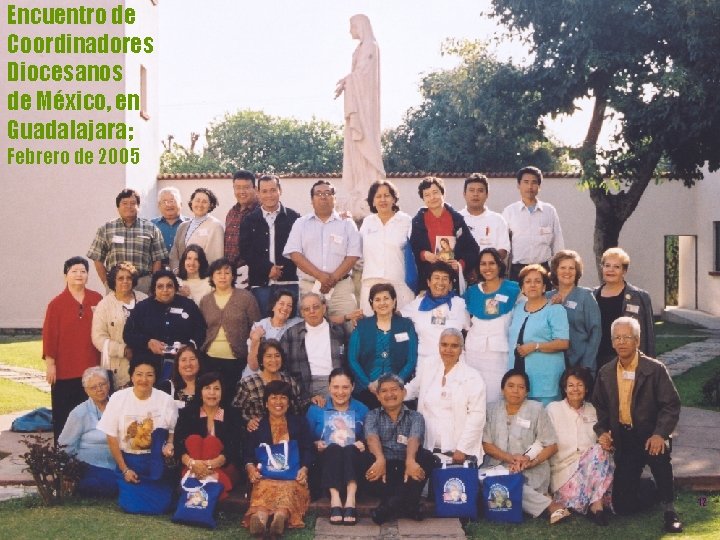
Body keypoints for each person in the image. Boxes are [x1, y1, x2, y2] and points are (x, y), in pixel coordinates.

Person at [592, 317, 683, 533]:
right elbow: (600, 407)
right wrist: (603, 431)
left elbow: (671, 405)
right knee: (623, 507)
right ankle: (652, 489)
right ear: (612, 342)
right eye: (617, 338)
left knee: (660, 459)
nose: (622, 342)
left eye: (627, 337)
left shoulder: (655, 369)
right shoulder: (606, 372)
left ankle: (670, 511)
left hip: (651, 435)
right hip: (625, 439)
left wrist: (660, 434)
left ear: (637, 341)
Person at [96, 359, 178, 514]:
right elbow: (111, 437)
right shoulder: (118, 398)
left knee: (163, 505)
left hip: (155, 463)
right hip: (129, 462)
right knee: (132, 506)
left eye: (149, 375)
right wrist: (125, 469)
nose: (144, 379)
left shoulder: (165, 400)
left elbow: (171, 431)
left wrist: (170, 444)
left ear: (155, 378)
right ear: (131, 377)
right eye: (139, 374)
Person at [482, 369, 558, 519]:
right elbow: (486, 444)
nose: (515, 391)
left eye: (521, 387)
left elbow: (551, 445)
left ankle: (525, 501)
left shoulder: (536, 409)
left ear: (527, 392)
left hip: (529, 468)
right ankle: (547, 504)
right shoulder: (490, 410)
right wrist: (511, 459)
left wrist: (530, 461)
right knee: (486, 480)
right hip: (498, 468)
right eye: (510, 386)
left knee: (509, 485)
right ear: (502, 389)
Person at [283, 180, 363, 322]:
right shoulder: (301, 223)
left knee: (350, 328)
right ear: (312, 200)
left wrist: (331, 280)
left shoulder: (347, 223)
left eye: (327, 193)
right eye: (318, 193)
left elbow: (353, 255)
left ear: (334, 198)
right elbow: (295, 254)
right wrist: (320, 276)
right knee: (312, 330)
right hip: (310, 287)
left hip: (341, 289)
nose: (323, 196)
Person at [43, 256, 103, 442]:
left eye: (83, 271)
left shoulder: (97, 299)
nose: (79, 275)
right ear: (65, 276)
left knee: (92, 417)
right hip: (65, 371)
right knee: (64, 416)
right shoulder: (56, 304)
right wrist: (50, 365)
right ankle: (62, 459)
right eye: (74, 271)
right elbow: (50, 336)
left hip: (91, 368)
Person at [363, 373, 436, 524]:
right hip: (383, 470)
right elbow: (371, 438)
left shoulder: (415, 416)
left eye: (394, 389)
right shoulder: (372, 415)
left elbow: (414, 438)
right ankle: (410, 506)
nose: (389, 394)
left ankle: (387, 508)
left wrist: (410, 461)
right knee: (365, 458)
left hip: (406, 470)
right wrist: (380, 459)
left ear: (403, 392)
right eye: (384, 391)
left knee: (427, 457)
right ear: (377, 396)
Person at [243, 380, 313, 538]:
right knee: (263, 488)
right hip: (265, 475)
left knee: (288, 489)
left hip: (292, 476)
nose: (278, 402)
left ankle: (279, 519)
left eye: (283, 398)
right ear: (266, 403)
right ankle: (259, 519)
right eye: (273, 398)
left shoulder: (299, 423)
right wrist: (250, 468)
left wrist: (304, 468)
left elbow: (308, 449)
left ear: (289, 402)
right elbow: (247, 454)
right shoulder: (257, 425)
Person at [404, 329, 486, 464]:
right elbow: (413, 388)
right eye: (444, 345)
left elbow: (477, 416)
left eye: (454, 346)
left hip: (458, 453)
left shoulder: (472, 377)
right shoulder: (429, 366)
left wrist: (462, 449)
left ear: (461, 349)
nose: (448, 349)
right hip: (429, 449)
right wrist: (393, 394)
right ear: (438, 346)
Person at [546, 367, 614, 525]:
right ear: (564, 388)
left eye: (580, 385)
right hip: (564, 472)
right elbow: (544, 440)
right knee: (599, 453)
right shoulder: (553, 409)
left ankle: (595, 504)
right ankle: (597, 505)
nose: (575, 389)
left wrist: (606, 441)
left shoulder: (593, 410)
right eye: (570, 385)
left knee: (601, 450)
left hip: (591, 469)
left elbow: (603, 438)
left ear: (587, 388)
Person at [334, 14, 386, 215]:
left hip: (365, 108)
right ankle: (357, 186)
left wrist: (348, 80)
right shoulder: (362, 47)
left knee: (364, 143)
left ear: (360, 26)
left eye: (352, 27)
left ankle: (367, 185)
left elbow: (363, 74)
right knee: (354, 149)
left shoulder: (370, 46)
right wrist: (349, 82)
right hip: (357, 101)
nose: (350, 31)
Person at [306, 368, 369, 525]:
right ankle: (335, 499)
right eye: (335, 387)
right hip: (326, 462)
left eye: (345, 387)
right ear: (329, 387)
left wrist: (363, 444)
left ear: (353, 387)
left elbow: (370, 437)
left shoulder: (362, 409)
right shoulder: (316, 409)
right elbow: (305, 439)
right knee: (333, 447)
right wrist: (315, 444)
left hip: (352, 461)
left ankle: (350, 500)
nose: (340, 392)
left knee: (348, 449)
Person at [123, 269, 206, 381]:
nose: (165, 290)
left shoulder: (188, 305)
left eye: (169, 286)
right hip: (149, 366)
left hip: (182, 366)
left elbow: (201, 328)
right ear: (154, 289)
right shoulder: (142, 308)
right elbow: (128, 334)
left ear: (175, 288)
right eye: (160, 286)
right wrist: (148, 342)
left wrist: (190, 346)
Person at [199, 258, 261, 403]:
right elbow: (202, 329)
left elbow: (256, 327)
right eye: (218, 273)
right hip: (210, 359)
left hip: (237, 361)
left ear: (233, 276)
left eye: (227, 272)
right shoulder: (205, 300)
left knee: (232, 401)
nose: (222, 276)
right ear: (212, 277)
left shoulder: (246, 298)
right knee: (213, 401)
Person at [463, 248, 521, 403]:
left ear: (499, 265)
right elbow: (464, 321)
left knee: (496, 399)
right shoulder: (471, 291)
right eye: (483, 264)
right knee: (474, 398)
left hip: (499, 354)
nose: (487, 268)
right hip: (474, 353)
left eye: (491, 263)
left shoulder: (513, 289)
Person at [174, 372, 242, 500]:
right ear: (200, 391)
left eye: (216, 389)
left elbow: (234, 447)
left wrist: (211, 465)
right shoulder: (187, 413)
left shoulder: (232, 415)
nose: (212, 393)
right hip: (192, 466)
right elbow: (179, 444)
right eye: (207, 388)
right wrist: (192, 463)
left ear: (223, 392)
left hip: (222, 467)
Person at [508, 264, 569, 405]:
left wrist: (535, 346)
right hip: (519, 379)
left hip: (545, 382)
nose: (532, 285)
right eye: (528, 282)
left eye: (537, 281)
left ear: (544, 287)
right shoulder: (517, 309)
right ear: (522, 288)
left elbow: (563, 343)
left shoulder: (555, 309)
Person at [348, 283, 418, 409]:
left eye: (386, 298)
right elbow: (352, 359)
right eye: (377, 300)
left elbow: (412, 359)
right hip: (368, 390)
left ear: (394, 301)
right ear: (372, 304)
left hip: (398, 390)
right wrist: (368, 384)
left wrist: (396, 382)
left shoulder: (406, 325)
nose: (382, 303)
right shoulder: (362, 326)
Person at [240, 174, 301, 316]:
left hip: (289, 283)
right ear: (258, 193)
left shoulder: (294, 218)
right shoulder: (249, 220)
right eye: (265, 191)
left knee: (289, 326)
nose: (269, 195)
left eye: (273, 190)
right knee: (264, 326)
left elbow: (299, 248)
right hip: (261, 285)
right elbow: (245, 251)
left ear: (280, 190)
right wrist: (268, 269)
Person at [87, 189, 167, 294]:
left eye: (133, 203)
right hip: (116, 284)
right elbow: (97, 258)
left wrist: (153, 282)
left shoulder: (151, 228)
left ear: (138, 207)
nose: (129, 206)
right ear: (118, 207)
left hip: (143, 284)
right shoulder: (106, 229)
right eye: (124, 203)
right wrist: (107, 283)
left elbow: (158, 259)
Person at [401, 261, 470, 379]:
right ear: (428, 282)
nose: (440, 282)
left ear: (449, 284)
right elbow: (393, 315)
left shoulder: (460, 304)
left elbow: (470, 329)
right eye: (436, 278)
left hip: (453, 366)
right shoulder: (416, 305)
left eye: (445, 279)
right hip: (425, 366)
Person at [409, 177, 479, 293]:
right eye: (427, 195)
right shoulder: (417, 222)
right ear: (423, 199)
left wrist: (459, 264)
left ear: (443, 193)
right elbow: (412, 250)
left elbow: (472, 249)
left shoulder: (457, 219)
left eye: (435, 192)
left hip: (452, 280)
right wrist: (424, 255)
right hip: (428, 280)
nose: (432, 197)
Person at [58, 367, 117, 497]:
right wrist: (66, 472)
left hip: (118, 464)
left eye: (102, 384)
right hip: (90, 465)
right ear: (86, 391)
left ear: (108, 384)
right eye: (93, 387)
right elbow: (64, 445)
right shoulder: (79, 413)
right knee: (110, 485)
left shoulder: (118, 406)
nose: (99, 389)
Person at [594, 247, 655, 371]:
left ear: (624, 271)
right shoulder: (592, 296)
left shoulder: (639, 297)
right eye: (607, 265)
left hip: (628, 360)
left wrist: (649, 366)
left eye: (616, 267)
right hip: (598, 360)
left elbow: (648, 334)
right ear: (602, 268)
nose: (611, 270)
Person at [359, 180, 415, 315]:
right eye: (378, 196)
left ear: (394, 199)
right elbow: (357, 251)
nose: (383, 200)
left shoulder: (406, 221)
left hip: (399, 285)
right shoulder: (367, 222)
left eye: (387, 195)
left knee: (401, 331)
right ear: (372, 201)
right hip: (370, 285)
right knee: (372, 329)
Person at [280, 292, 348, 402]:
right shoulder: (291, 334)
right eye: (307, 309)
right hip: (301, 385)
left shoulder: (338, 331)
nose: (312, 311)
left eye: (316, 307)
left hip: (334, 384)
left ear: (324, 308)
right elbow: (282, 367)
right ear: (302, 313)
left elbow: (347, 362)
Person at [91, 262, 147, 391]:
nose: (125, 281)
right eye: (120, 278)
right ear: (113, 281)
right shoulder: (104, 305)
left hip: (143, 363)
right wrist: (123, 350)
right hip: (117, 366)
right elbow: (98, 338)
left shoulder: (144, 299)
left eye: (129, 278)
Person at [502, 166, 564, 281]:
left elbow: (558, 242)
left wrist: (558, 270)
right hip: (518, 270)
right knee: (520, 299)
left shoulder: (549, 210)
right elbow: (503, 243)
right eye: (525, 182)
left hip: (543, 269)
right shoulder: (509, 211)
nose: (530, 187)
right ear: (518, 185)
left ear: (539, 186)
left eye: (534, 183)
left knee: (545, 299)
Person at [547, 250, 602, 374]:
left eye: (571, 268)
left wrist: (587, 364)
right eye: (563, 267)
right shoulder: (547, 297)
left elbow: (596, 332)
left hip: (581, 366)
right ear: (556, 270)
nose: (567, 272)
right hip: (553, 365)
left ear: (577, 271)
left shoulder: (586, 296)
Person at [233, 339, 306, 427]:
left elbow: (298, 410)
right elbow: (235, 411)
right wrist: (247, 422)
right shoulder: (248, 383)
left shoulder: (291, 382)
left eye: (277, 356)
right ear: (261, 360)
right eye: (269, 356)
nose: (273, 360)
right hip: (257, 432)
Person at [243, 288, 302, 379]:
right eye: (281, 304)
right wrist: (255, 340)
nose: (285, 308)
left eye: (289, 306)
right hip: (256, 376)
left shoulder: (296, 324)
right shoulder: (260, 326)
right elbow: (253, 366)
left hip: (280, 377)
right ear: (273, 306)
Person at [170, 188, 224, 272]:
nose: (200, 204)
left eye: (204, 202)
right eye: (197, 200)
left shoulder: (215, 225)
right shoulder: (182, 226)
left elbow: (216, 257)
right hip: (181, 276)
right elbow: (174, 253)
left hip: (202, 277)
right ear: (191, 202)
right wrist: (177, 270)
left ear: (211, 205)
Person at [459, 173, 510, 263]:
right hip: (462, 272)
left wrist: (485, 266)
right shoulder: (457, 218)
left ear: (487, 194)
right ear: (464, 194)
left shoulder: (498, 220)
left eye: (480, 190)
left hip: (489, 272)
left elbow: (503, 250)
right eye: (471, 190)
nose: (475, 194)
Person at [225, 170, 258, 270]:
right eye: (238, 188)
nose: (242, 192)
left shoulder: (261, 212)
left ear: (255, 189)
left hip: (252, 274)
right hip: (230, 273)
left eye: (246, 188)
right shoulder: (232, 212)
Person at [158, 344, 201, 408]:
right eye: (183, 360)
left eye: (192, 359)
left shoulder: (208, 387)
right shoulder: (166, 387)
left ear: (199, 363)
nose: (188, 364)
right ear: (177, 365)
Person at [151, 186, 188, 259]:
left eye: (172, 201)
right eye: (164, 202)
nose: (169, 205)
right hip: (158, 268)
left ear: (181, 204)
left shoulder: (190, 224)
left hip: (184, 268)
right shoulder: (151, 225)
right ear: (159, 205)